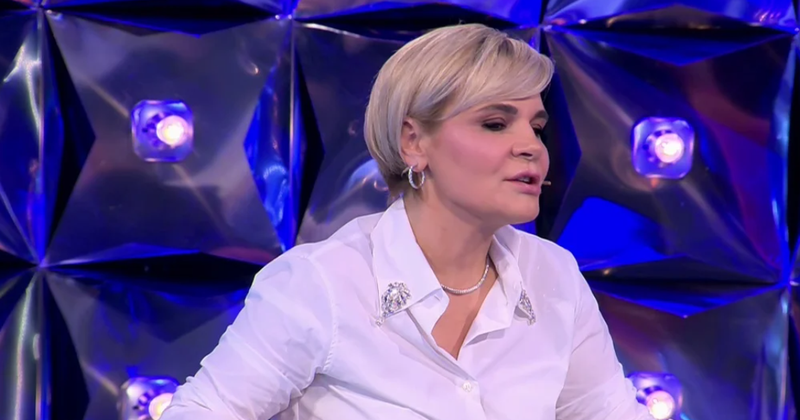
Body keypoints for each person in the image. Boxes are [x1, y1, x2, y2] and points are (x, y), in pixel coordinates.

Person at [160, 23, 655, 420]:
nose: (531, 146)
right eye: (495, 123)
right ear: (414, 143)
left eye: (537, 127)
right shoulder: (320, 284)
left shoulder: (555, 277)